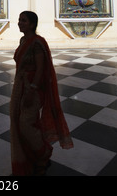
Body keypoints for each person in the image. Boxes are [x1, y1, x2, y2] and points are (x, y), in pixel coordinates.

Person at [10, 11, 73, 176]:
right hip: (20, 87)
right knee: (18, 121)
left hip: (32, 89)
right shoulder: (24, 40)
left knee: (26, 124)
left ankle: (43, 153)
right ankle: (31, 158)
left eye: (23, 20)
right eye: (19, 20)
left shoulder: (37, 43)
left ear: (32, 24)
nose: (19, 23)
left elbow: (40, 69)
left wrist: (32, 89)